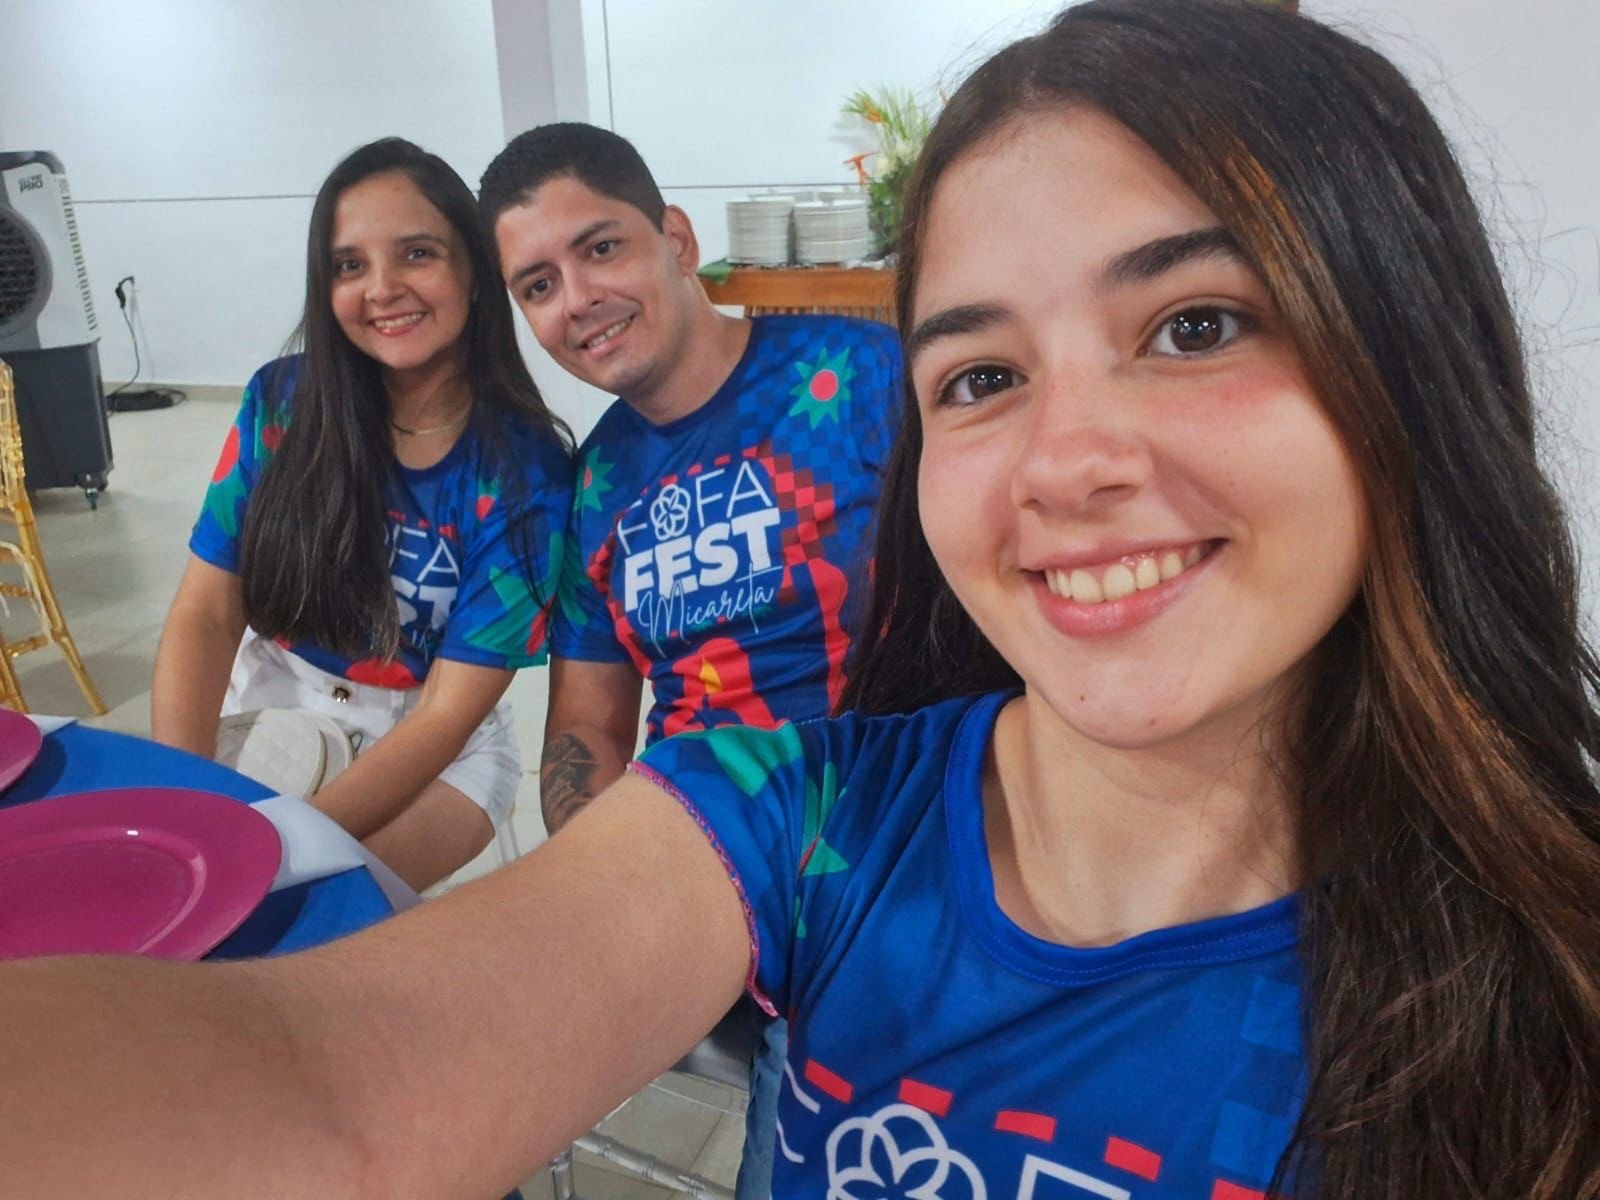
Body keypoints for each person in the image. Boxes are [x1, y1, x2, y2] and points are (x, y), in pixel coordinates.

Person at [7, 3, 1599, 1197]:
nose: (1066, 462)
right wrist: (631, 883)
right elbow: (338, 1079)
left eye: (1194, 327)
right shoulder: (686, 641)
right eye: (986, 375)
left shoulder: (846, 374)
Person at [479, 122, 903, 1196]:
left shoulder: (861, 375)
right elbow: (585, 727)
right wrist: (608, 874)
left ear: (675, 239)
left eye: (600, 249)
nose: (577, 300)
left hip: (885, 831)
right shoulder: (596, 486)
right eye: (538, 285)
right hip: (706, 854)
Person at [151, 138, 574, 892]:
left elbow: (447, 713)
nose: (382, 288)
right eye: (349, 265)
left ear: (475, 270)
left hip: (435, 744)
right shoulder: (281, 407)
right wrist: (180, 797)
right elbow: (206, 615)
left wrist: (282, 844)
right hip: (275, 706)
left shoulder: (526, 473)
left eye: (417, 253)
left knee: (306, 913)